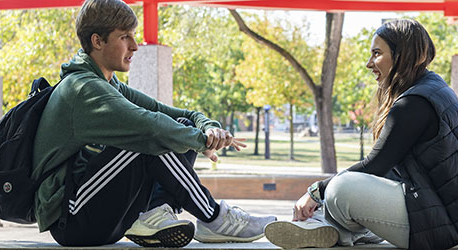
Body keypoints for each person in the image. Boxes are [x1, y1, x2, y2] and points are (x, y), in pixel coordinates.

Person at [32, 0, 275, 247]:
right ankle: (214, 217)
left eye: (134, 36)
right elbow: (150, 127)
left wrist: (208, 127)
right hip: (73, 220)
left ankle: (156, 213)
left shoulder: (108, 84)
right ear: (97, 41)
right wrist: (201, 141)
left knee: (174, 125)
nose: (135, 46)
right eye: (125, 37)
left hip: (101, 214)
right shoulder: (83, 88)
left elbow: (174, 114)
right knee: (148, 138)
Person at [263, 19, 458, 250]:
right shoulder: (431, 88)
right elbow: (389, 170)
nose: (369, 63)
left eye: (377, 54)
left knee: (341, 189)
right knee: (351, 191)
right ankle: (332, 229)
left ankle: (325, 225)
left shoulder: (414, 103)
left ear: (402, 56)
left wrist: (316, 191)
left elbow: (375, 165)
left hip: (457, 229)